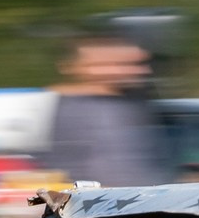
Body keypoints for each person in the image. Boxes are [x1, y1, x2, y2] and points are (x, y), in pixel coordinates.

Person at [44, 36, 173, 189]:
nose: (142, 70)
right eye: (121, 64)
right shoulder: (59, 108)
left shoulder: (132, 106)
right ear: (73, 67)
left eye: (138, 64)